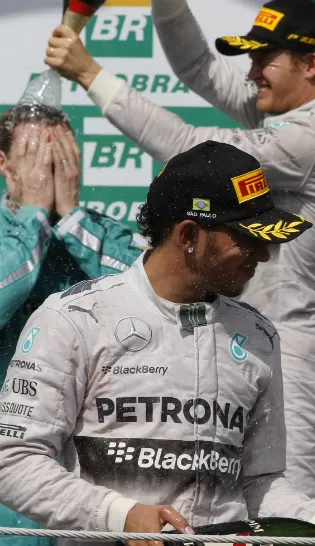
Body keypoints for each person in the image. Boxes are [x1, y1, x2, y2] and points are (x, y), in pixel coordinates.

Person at [0, 140, 315, 546]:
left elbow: (260, 485)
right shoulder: (75, 318)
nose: (263, 254)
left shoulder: (258, 336)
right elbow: (12, 462)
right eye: (246, 237)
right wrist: (119, 515)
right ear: (189, 234)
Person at [43, 0, 315, 498]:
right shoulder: (289, 108)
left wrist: (90, 74)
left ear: (312, 64)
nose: (251, 74)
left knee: (284, 507)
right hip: (241, 330)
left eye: (263, 61)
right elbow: (198, 67)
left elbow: (191, 148)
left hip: (293, 344)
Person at [0, 103, 146, 546]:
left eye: (60, 156)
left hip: (95, 477)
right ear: (4, 163)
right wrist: (33, 218)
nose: (49, 169)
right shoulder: (10, 233)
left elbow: (148, 303)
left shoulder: (103, 233)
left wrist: (74, 223)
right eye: (35, 157)